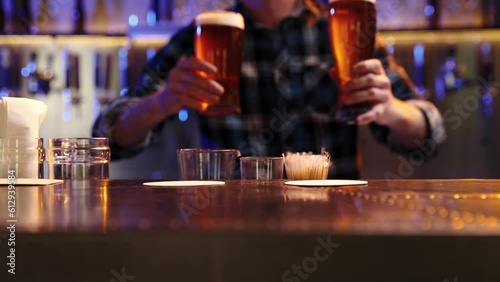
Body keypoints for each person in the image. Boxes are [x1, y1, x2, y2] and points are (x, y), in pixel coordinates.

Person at [92, 0, 445, 179]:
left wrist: (391, 109)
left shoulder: (343, 27)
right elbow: (108, 137)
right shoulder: (199, 37)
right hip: (229, 224)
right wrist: (161, 102)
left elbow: (430, 132)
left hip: (333, 224)